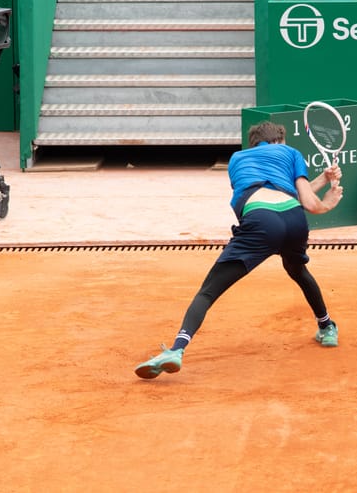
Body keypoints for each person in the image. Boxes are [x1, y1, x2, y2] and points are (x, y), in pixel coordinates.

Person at [135, 121, 344, 379]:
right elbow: (306, 202)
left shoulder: (237, 158)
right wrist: (328, 202)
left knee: (208, 293)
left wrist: (324, 178)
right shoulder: (291, 153)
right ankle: (327, 328)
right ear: (280, 140)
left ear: (255, 143)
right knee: (297, 269)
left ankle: (176, 350)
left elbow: (270, 192)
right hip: (294, 220)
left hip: (261, 223)